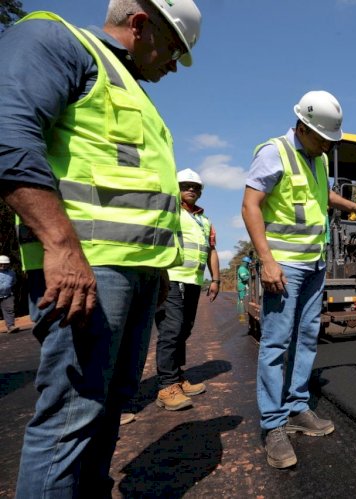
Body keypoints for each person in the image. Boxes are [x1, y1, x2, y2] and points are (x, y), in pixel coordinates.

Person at [0, 0, 202, 495]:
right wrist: (61, 246)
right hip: (88, 271)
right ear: (140, 25)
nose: (174, 66)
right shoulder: (58, 43)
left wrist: (156, 275)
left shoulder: (129, 89)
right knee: (72, 414)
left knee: (109, 406)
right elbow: (8, 134)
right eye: (174, 50)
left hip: (135, 277)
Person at [241, 90, 356, 469]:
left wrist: (354, 207)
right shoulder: (274, 152)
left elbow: (323, 195)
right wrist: (266, 261)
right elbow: (250, 205)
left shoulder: (317, 160)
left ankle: (297, 408)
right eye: (323, 139)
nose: (327, 146)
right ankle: (272, 425)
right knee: (276, 342)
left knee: (305, 337)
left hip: (314, 264)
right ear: (302, 126)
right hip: (284, 268)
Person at [155, 168, 220, 410]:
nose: (191, 189)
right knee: (171, 330)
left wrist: (215, 280)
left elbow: (211, 250)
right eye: (185, 185)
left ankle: (177, 377)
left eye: (195, 186)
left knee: (184, 329)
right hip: (170, 278)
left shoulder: (204, 221)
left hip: (193, 281)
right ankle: (166, 385)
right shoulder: (170, 211)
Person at [0, 255, 19, 334]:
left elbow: (14, 282)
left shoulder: (12, 273)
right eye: (1, 264)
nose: (3, 265)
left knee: (9, 310)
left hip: (7, 295)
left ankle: (10, 326)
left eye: (5, 264)